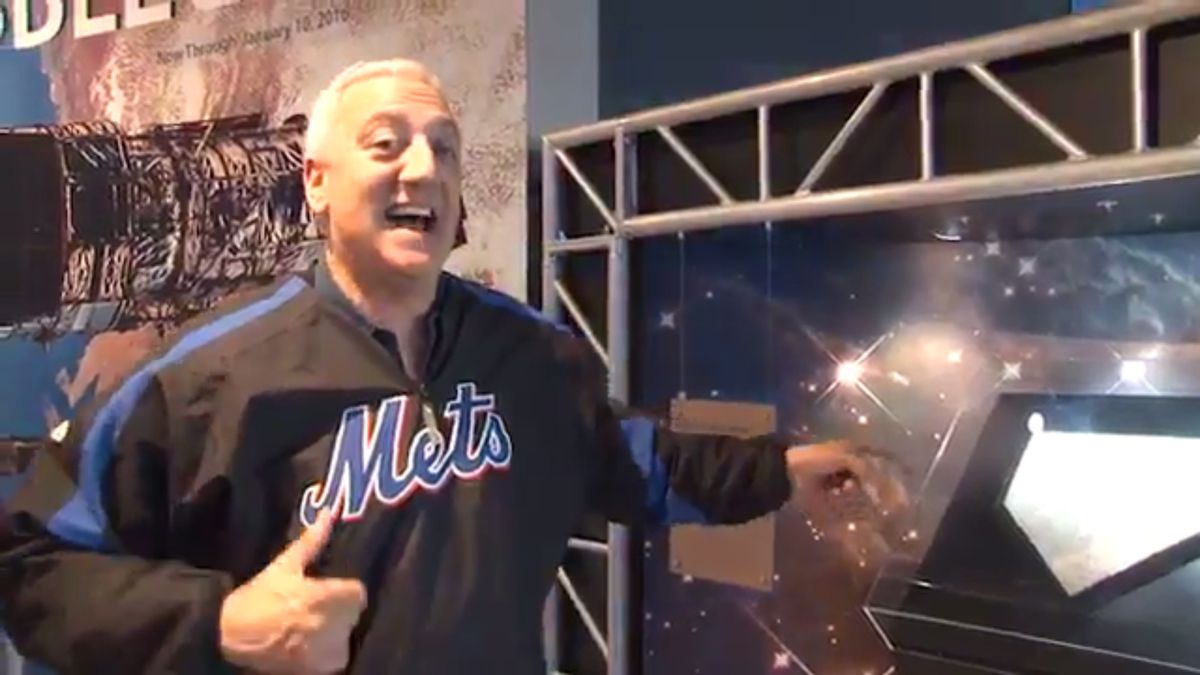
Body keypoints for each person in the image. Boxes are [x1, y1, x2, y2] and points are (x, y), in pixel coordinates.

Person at [0, 59, 904, 675]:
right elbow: (34, 566)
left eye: (445, 146)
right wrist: (221, 622)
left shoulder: (530, 354)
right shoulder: (201, 374)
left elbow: (623, 456)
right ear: (314, 178)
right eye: (386, 144)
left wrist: (779, 470)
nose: (422, 169)